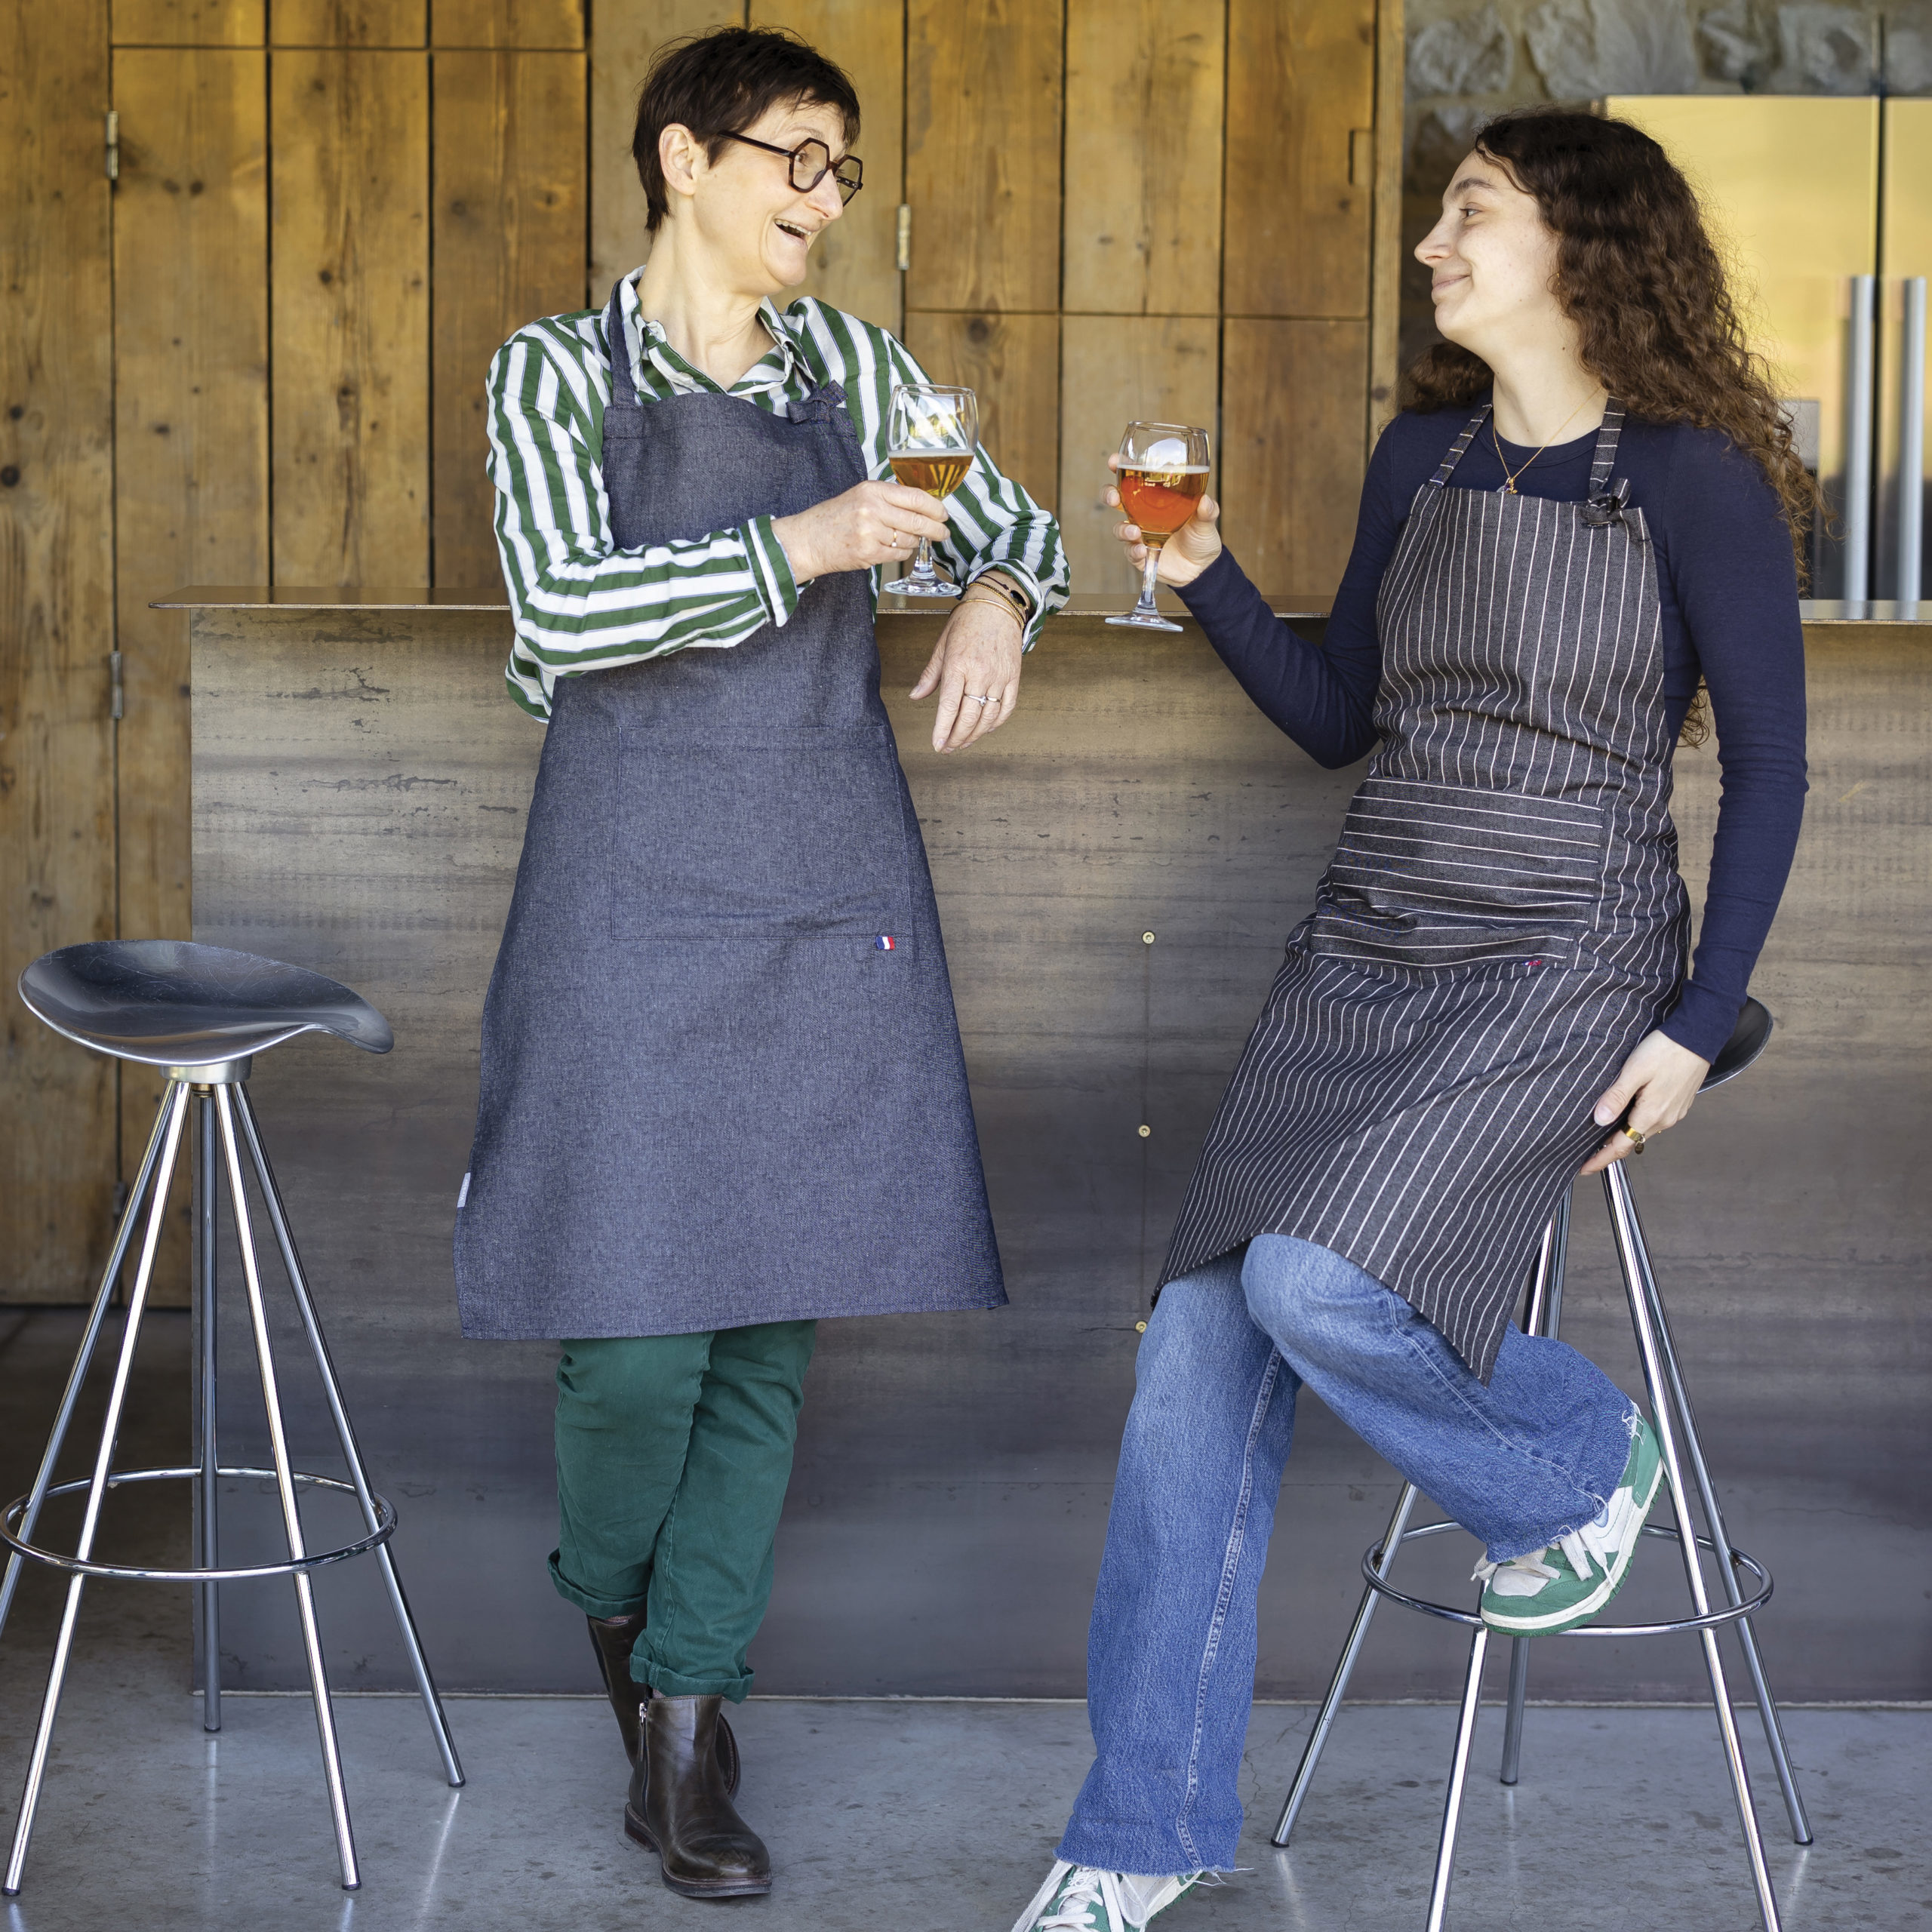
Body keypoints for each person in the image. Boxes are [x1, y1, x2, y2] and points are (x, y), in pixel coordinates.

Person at [1013, 107, 1809, 1932]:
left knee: (1312, 1283)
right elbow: (1336, 717)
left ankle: (1574, 1458)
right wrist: (1206, 578)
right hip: (1366, 941)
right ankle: (1139, 1824)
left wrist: (1693, 1021)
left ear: (1581, 246)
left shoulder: (1689, 481)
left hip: (1561, 952)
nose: (1432, 246)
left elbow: (1767, 767)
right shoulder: (1419, 457)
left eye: (1470, 214)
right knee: (1193, 1334)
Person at [449, 25, 1066, 1903]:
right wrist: (805, 538)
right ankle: (616, 1604)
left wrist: (995, 594)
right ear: (681, 159)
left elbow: (1017, 522)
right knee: (633, 1340)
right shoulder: (553, 371)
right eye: (794, 154)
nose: (822, 195)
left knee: (765, 1332)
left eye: (839, 166)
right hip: (628, 896)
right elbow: (559, 604)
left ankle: (686, 1724)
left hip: (818, 890)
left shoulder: (854, 370)